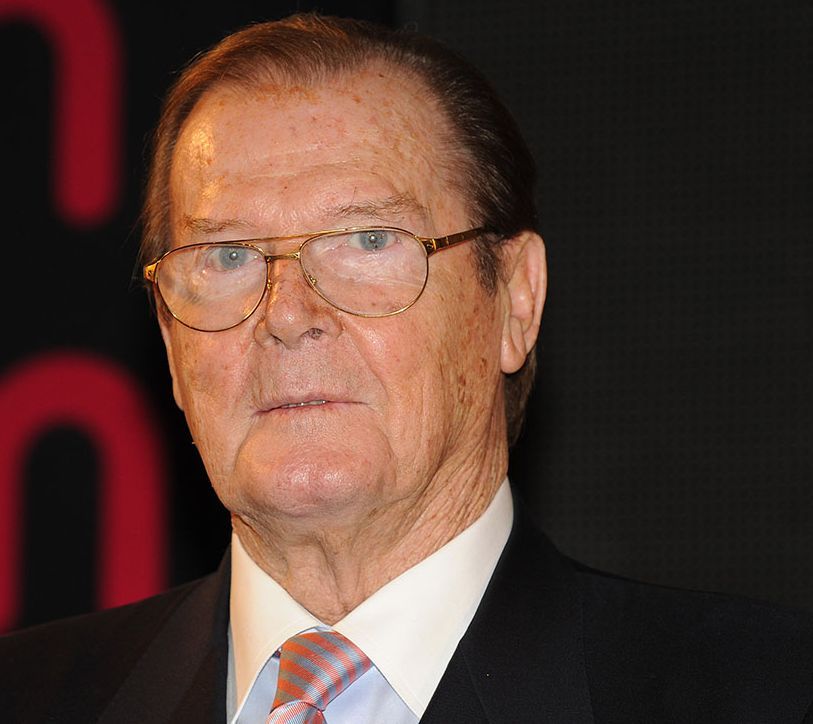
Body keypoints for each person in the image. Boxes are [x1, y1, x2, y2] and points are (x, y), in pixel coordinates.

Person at [2, 13, 812, 724]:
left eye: (369, 241)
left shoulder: (766, 694)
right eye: (228, 256)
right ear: (171, 343)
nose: (285, 313)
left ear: (514, 301)